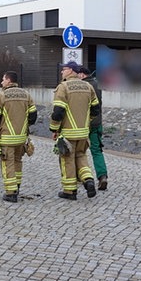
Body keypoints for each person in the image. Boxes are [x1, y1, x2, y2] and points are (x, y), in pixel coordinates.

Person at [50, 61, 100, 200]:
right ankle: (88, 180)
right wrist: (86, 122)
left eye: (64, 69)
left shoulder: (63, 87)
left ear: (71, 71)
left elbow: (58, 112)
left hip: (68, 132)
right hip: (84, 133)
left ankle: (70, 191)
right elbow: (96, 109)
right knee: (81, 156)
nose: (62, 72)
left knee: (67, 159)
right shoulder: (88, 86)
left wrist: (54, 128)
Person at [0, 71, 37, 203]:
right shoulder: (26, 94)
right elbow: (33, 116)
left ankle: (10, 193)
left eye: (3, 79)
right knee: (18, 161)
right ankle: (17, 187)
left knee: (7, 163)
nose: (1, 82)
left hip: (7, 137)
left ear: (8, 80)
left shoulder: (2, 96)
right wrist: (24, 125)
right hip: (21, 137)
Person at [77, 67, 108, 190]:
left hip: (83, 124)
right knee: (96, 151)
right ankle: (102, 177)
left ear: (82, 75)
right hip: (96, 123)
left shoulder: (83, 86)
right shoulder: (96, 84)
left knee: (79, 152)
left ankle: (81, 176)